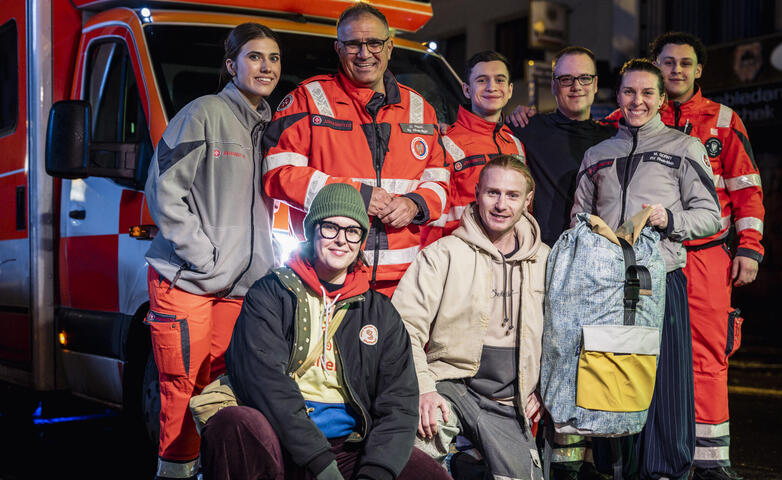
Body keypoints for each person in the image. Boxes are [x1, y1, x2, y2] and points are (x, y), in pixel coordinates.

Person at [202, 183, 451, 480]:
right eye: (330, 227)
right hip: (280, 439)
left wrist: (374, 474)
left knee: (429, 476)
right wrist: (320, 464)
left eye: (352, 231)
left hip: (348, 445)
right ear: (312, 231)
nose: (341, 240)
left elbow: (398, 403)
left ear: (361, 240)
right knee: (233, 423)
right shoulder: (271, 294)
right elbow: (265, 383)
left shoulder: (379, 312)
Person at [571, 58, 721, 480]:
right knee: (611, 375)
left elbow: (711, 216)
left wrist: (670, 220)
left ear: (660, 99)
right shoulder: (597, 154)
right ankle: (614, 467)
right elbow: (579, 215)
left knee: (665, 379)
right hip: (606, 285)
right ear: (618, 96)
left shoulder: (683, 147)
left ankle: (666, 470)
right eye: (629, 92)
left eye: (647, 93)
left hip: (659, 278)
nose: (637, 100)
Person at [143, 23, 280, 479]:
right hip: (188, 279)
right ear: (231, 65)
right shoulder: (203, 113)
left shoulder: (271, 128)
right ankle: (175, 473)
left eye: (274, 58)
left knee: (221, 389)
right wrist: (204, 256)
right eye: (255, 56)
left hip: (240, 288)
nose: (266, 66)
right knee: (182, 387)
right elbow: (164, 190)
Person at [262, 3, 450, 297]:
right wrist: (356, 196)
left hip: (406, 282)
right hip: (327, 277)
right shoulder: (307, 99)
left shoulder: (420, 109)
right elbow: (278, 174)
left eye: (374, 43)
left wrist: (415, 203)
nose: (364, 54)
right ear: (338, 48)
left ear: (389, 47)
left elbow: (440, 179)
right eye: (353, 44)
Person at [648, 32, 766, 480]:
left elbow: (747, 188)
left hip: (706, 254)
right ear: (654, 67)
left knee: (709, 356)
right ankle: (651, 454)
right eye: (667, 63)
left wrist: (750, 249)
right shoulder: (632, 114)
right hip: (652, 254)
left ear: (699, 70)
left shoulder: (723, 120)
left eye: (684, 63)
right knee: (644, 352)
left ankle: (711, 460)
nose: (675, 70)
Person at [393, 156, 550, 480]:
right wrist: (423, 388)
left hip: (508, 402)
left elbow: (563, 335)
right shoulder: (443, 254)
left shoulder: (546, 260)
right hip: (450, 385)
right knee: (407, 458)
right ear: (477, 194)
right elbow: (404, 326)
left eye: (512, 195)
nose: (501, 204)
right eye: (493, 193)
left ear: (527, 200)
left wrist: (545, 390)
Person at [505, 46, 617, 246]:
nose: (577, 86)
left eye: (585, 78)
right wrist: (443, 129)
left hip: (598, 252)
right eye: (566, 79)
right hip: (543, 252)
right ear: (553, 86)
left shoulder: (613, 139)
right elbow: (482, 132)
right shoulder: (527, 127)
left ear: (596, 84)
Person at [421, 50, 526, 246]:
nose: (491, 87)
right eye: (481, 80)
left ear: (510, 89)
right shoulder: (445, 143)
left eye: (500, 80)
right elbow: (433, 220)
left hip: (509, 260)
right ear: (467, 90)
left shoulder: (516, 145)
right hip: (463, 259)